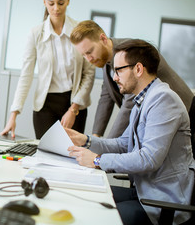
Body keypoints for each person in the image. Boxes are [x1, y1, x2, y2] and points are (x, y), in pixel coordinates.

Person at [65, 39, 195, 225]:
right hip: (144, 191)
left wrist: (97, 160)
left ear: (138, 69)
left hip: (163, 202)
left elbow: (148, 158)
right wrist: (85, 140)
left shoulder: (164, 100)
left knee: (96, 218)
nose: (115, 77)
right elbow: (123, 144)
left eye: (119, 70)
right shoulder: (142, 100)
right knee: (88, 197)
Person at [70, 20, 195, 138]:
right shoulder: (104, 59)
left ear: (103, 39)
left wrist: (104, 148)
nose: (89, 59)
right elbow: (106, 97)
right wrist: (95, 136)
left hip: (187, 111)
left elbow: (129, 104)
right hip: (164, 114)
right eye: (84, 55)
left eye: (90, 51)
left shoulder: (130, 54)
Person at [1, 0, 95, 139]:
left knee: (71, 155)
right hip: (45, 106)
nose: (56, 8)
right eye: (51, 3)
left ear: (68, 1)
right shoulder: (36, 34)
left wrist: (74, 109)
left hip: (74, 103)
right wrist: (14, 115)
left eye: (61, 3)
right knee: (45, 155)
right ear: (44, 2)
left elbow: (89, 74)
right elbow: (26, 75)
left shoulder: (80, 31)